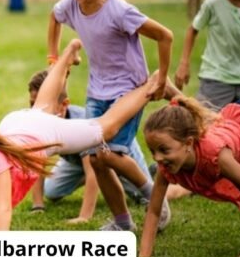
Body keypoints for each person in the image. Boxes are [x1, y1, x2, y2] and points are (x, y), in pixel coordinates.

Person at [0, 40, 157, 257]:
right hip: (18, 125)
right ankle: (68, 54)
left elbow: (4, 210)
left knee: (106, 129)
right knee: (42, 106)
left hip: (40, 133)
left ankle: (151, 85)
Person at [49, 0, 173, 231]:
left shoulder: (119, 11)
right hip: (97, 92)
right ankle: (122, 223)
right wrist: (53, 56)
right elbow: (53, 18)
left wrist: (163, 78)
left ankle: (156, 200)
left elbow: (165, 36)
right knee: (95, 158)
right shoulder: (71, 5)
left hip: (129, 90)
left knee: (111, 154)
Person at [139, 93, 240, 257]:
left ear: (188, 143)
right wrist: (144, 256)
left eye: (163, 150)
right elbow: (154, 211)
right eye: (152, 151)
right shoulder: (165, 167)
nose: (157, 158)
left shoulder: (218, 157)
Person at [24, 68, 154, 215]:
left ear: (64, 105)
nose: (37, 111)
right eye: (33, 104)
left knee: (147, 196)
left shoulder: (81, 123)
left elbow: (92, 169)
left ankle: (178, 187)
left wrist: (84, 216)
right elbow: (37, 162)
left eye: (44, 106)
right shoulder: (38, 124)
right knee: (52, 191)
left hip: (115, 155)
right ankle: (93, 176)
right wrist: (38, 206)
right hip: (78, 162)